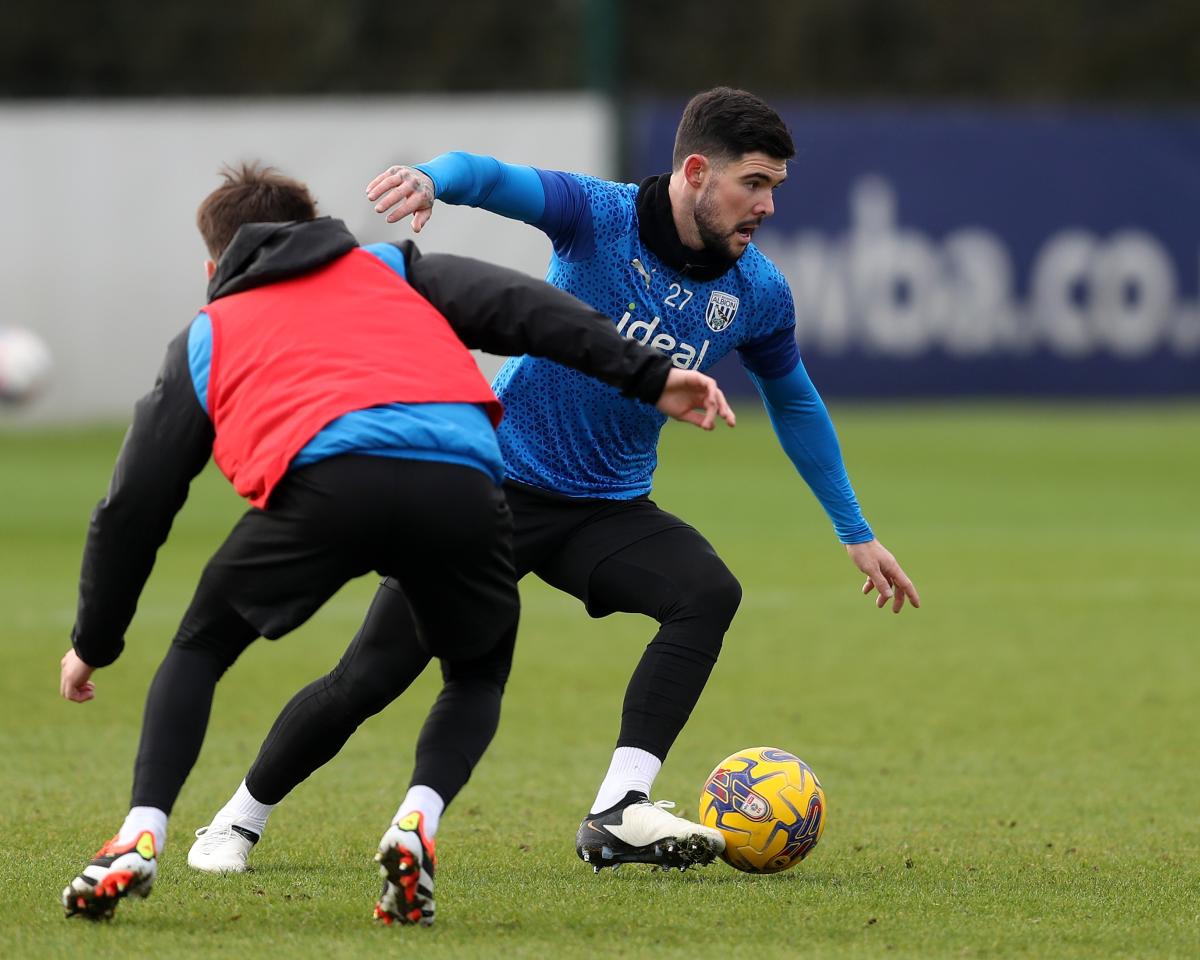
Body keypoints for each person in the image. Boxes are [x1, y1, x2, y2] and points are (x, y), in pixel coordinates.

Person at [188, 87, 919, 886]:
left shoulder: (757, 291)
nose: (769, 205)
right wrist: (433, 179)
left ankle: (618, 809)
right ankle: (236, 819)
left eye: (777, 186)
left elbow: (795, 401)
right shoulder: (597, 216)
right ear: (697, 172)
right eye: (755, 184)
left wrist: (855, 529)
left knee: (706, 591)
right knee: (370, 677)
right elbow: (492, 176)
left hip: (604, 510)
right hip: (491, 490)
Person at [58, 163, 731, 924]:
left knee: (203, 645)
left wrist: (95, 639)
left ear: (215, 268)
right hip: (464, 482)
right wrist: (648, 376)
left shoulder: (209, 331)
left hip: (324, 484)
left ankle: (141, 833)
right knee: (473, 676)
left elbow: (133, 506)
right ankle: (417, 819)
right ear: (315, 228)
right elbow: (526, 308)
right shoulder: (390, 269)